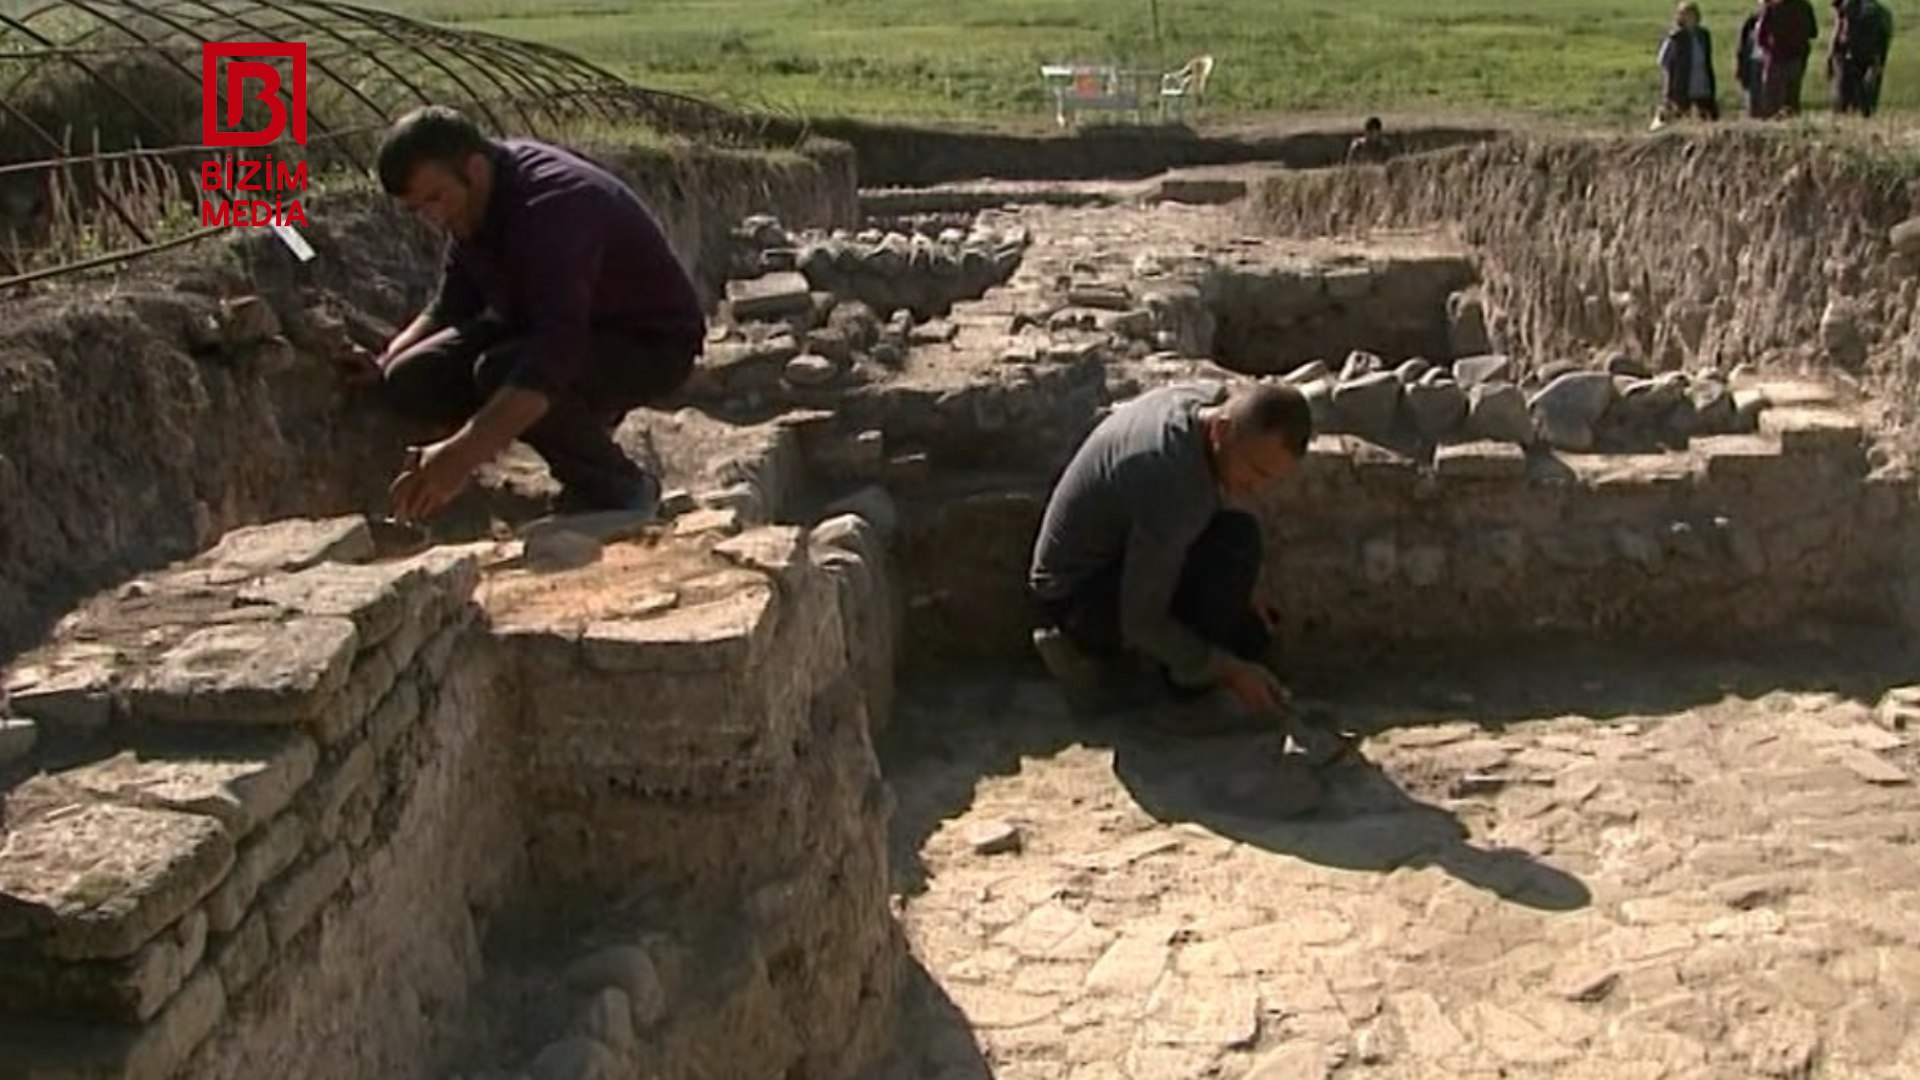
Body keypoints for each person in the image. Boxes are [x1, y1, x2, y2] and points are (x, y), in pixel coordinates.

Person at [351, 105, 706, 525]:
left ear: (475, 169)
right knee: (411, 377)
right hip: (549, 324)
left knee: (503, 371)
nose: (434, 219)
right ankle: (532, 436)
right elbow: (451, 305)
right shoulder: (474, 204)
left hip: (648, 343)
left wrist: (463, 453)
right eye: (418, 209)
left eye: (435, 199)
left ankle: (619, 487)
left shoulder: (551, 210)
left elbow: (555, 353)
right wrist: (386, 359)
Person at [1027, 380, 1345, 759]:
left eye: (1270, 479)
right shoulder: (1174, 481)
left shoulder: (1201, 408)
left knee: (1247, 621)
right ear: (1222, 430)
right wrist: (1228, 671)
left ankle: (1169, 669)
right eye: (1256, 471)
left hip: (1119, 557)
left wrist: (1243, 595)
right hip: (1077, 599)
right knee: (1235, 551)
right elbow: (1141, 621)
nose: (1257, 488)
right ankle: (1181, 703)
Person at [1657, 3, 1721, 123]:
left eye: (1692, 15)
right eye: (1686, 15)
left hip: (1702, 82)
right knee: (1680, 117)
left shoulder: (1703, 35)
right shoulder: (1675, 38)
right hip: (1683, 85)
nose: (1690, 19)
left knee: (1709, 117)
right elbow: (1663, 60)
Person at [1830, 0, 1893, 117]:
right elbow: (1885, 36)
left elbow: (1841, 33)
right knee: (1868, 89)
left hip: (1850, 53)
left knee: (1844, 89)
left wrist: (1831, 54)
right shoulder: (1881, 11)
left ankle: (1845, 114)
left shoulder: (1846, 8)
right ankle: (1866, 113)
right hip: (1871, 54)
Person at [1757, 0, 1820, 117]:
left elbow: (1760, 36)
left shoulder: (1771, 9)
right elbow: (1813, 33)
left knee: (1772, 100)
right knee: (1792, 98)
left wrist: (1768, 51)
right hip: (1797, 57)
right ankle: (1793, 123)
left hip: (1775, 58)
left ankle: (1774, 125)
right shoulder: (1805, 7)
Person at [1737, 1, 1769, 116]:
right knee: (1752, 97)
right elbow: (1742, 47)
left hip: (1770, 64)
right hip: (1753, 62)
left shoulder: (1777, 19)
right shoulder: (1751, 22)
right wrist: (1740, 69)